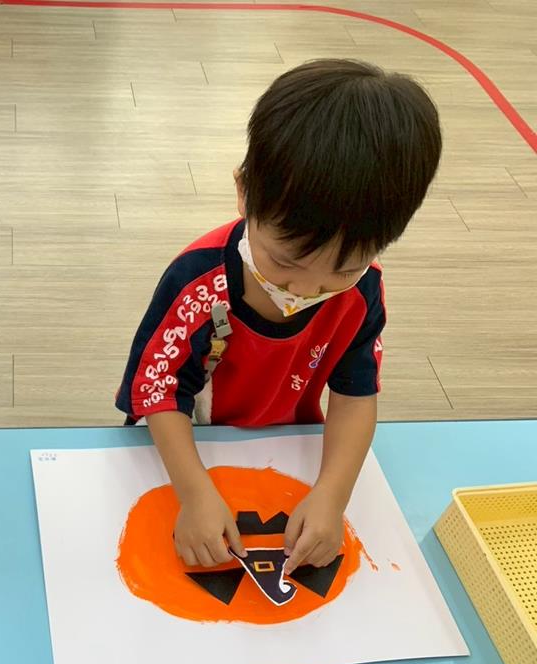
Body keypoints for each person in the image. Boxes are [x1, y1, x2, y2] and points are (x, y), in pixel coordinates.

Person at [116, 59, 441, 576]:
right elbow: (159, 390)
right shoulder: (198, 281)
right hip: (181, 447)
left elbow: (356, 395)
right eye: (285, 261)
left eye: (344, 269)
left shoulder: (362, 292)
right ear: (245, 192)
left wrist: (332, 496)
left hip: (285, 447)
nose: (304, 290)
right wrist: (194, 494)